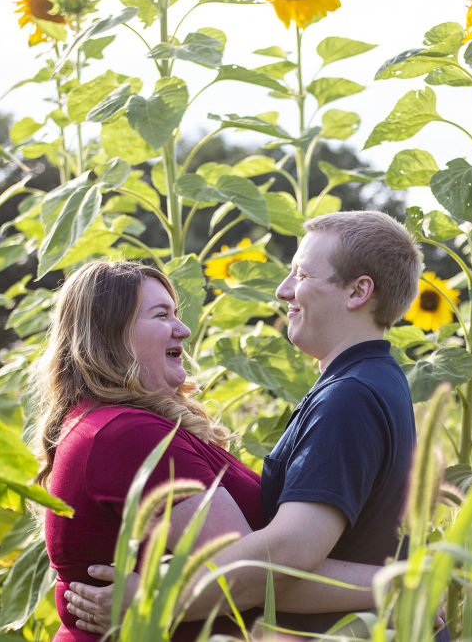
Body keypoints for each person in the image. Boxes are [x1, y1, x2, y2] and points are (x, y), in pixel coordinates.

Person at [68, 211, 430, 636]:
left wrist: (157, 597)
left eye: (301, 274)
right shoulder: (370, 382)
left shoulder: (350, 395)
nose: (283, 291)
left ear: (357, 291)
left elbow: (288, 554)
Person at [33, 260, 381, 641]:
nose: (183, 329)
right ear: (111, 335)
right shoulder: (127, 435)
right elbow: (251, 577)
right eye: (161, 315)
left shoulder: (108, 424)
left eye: (177, 314)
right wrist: (399, 583)